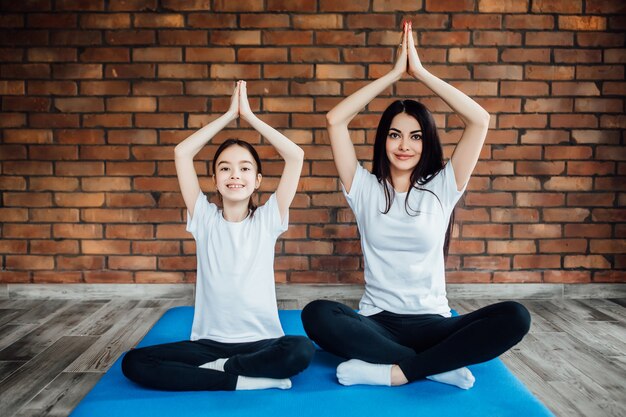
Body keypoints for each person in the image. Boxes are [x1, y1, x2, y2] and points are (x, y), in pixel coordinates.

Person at [301, 22, 530, 390]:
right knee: (316, 315)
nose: (404, 145)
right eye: (395, 135)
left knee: (515, 317)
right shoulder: (362, 187)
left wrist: (419, 72)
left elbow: (479, 120)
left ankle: (395, 371)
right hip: (376, 322)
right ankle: (434, 367)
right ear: (383, 141)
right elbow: (335, 119)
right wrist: (393, 74)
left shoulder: (443, 185)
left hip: (435, 324)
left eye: (415, 136)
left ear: (427, 143)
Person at [122, 80, 314, 391]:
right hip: (208, 345)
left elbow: (295, 156)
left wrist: (248, 115)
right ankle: (241, 380)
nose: (235, 175)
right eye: (225, 168)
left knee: (301, 350)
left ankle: (220, 372)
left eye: (244, 168)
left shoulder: (268, 219)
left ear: (258, 180)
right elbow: (182, 153)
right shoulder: (204, 219)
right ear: (214, 179)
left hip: (262, 342)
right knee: (134, 363)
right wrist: (228, 115)